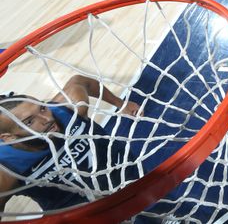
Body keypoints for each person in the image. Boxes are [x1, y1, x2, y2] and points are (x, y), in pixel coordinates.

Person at [0, 75, 141, 211]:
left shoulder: (67, 108)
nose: (47, 119)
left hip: (131, 174)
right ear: (9, 137)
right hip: (90, 215)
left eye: (42, 108)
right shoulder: (7, 170)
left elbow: (79, 81)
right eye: (29, 122)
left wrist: (121, 104)